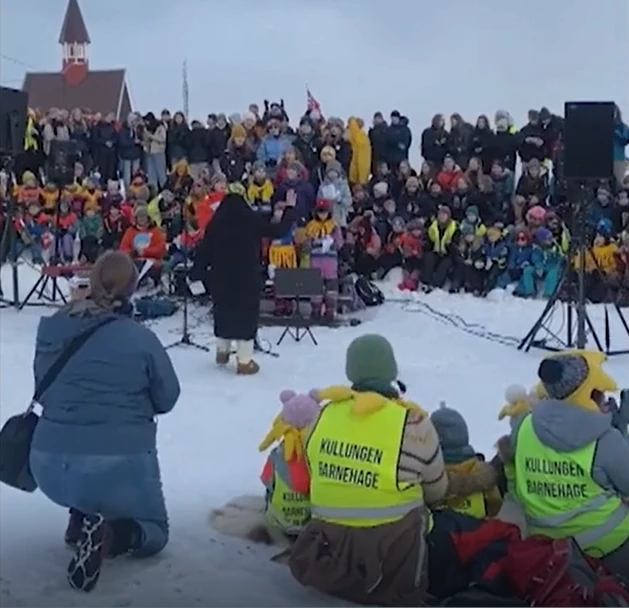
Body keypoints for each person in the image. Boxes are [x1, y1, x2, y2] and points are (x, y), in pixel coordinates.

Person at [29, 251, 181, 593]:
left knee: (81, 433)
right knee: (155, 531)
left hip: (47, 466)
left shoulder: (52, 327)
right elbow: (168, 397)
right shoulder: (139, 338)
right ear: (132, 288)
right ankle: (113, 534)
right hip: (116, 466)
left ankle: (79, 518)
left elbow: (45, 390)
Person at [289, 333, 448, 606]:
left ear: (351, 371)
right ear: (391, 370)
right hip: (391, 560)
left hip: (326, 553)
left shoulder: (322, 415)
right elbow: (438, 490)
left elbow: (312, 474)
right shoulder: (412, 422)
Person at [503, 350, 629, 579]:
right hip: (609, 542)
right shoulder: (605, 439)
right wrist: (621, 433)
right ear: (589, 393)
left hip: (544, 541)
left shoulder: (523, 426)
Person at [190, 192, 296, 374]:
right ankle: (244, 362)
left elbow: (203, 252)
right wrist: (289, 209)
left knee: (223, 313)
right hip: (246, 278)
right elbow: (278, 230)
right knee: (245, 318)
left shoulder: (215, 224)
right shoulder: (251, 221)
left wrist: (196, 274)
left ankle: (222, 353)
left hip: (221, 278)